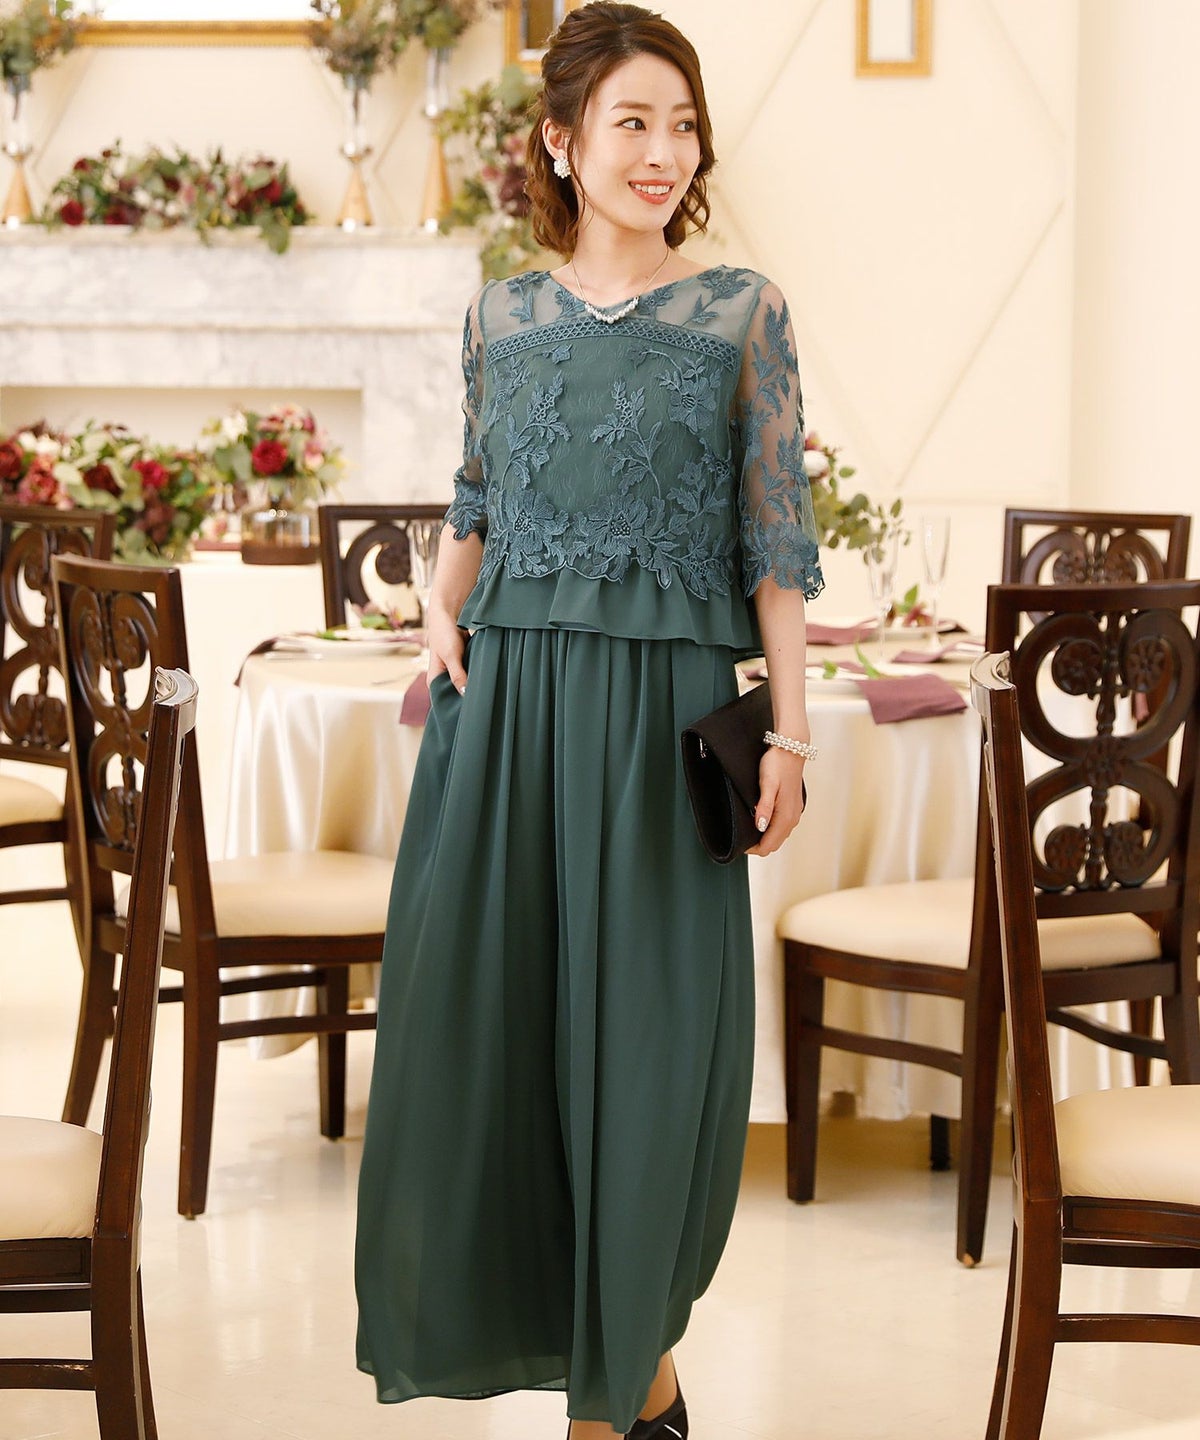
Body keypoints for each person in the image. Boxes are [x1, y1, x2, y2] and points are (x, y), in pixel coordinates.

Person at [355, 5, 823, 1437]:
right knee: (499, 1053)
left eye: (682, 125)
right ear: (562, 140)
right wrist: (440, 605)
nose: (662, 151)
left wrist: (790, 733)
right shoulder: (501, 316)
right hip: (506, 723)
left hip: (662, 733)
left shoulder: (741, 315)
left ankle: (613, 1401)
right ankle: (636, 1398)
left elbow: (779, 546)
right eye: (633, 121)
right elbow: (479, 489)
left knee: (651, 1067)